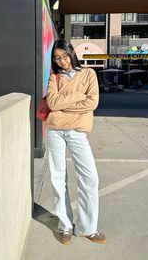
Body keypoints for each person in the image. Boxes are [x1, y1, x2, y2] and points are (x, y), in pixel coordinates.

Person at [45, 39, 106, 245]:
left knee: (90, 178)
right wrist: (78, 97)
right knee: (58, 178)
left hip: (77, 132)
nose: (61, 61)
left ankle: (88, 228)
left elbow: (92, 102)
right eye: (57, 58)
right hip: (55, 131)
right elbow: (52, 103)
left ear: (72, 53)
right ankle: (65, 225)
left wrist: (64, 104)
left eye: (64, 55)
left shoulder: (88, 74)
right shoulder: (54, 76)